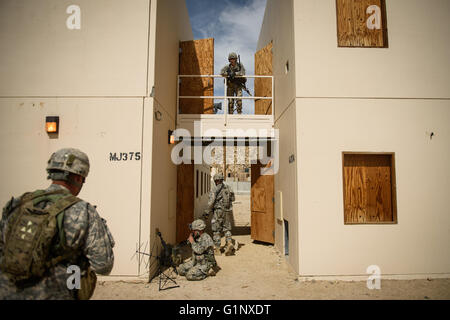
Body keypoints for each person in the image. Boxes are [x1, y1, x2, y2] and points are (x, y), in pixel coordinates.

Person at [0, 148, 115, 300]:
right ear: (79, 178)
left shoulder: (17, 204)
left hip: (7, 292)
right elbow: (103, 265)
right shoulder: (83, 211)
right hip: (54, 293)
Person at [203, 173, 236, 256]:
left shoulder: (214, 189)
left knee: (216, 230)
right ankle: (229, 243)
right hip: (227, 211)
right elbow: (233, 198)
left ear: (215, 181)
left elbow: (211, 201)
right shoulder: (228, 187)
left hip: (218, 211)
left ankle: (217, 249)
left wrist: (207, 211)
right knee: (227, 228)